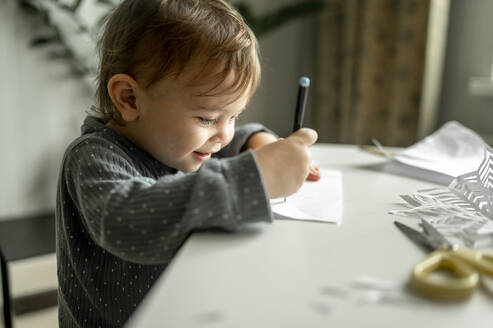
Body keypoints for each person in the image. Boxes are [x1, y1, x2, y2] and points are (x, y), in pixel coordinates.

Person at [56, 0, 319, 326]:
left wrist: (259, 142)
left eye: (234, 116)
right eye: (208, 118)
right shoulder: (93, 157)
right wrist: (256, 177)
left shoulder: (173, 143)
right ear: (129, 98)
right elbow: (128, 221)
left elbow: (227, 145)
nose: (223, 134)